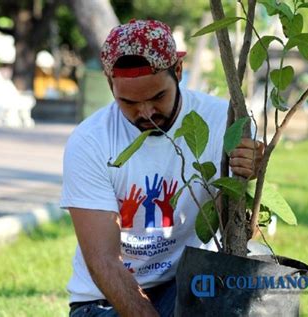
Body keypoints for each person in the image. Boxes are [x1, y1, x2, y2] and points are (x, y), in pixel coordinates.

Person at [60, 19, 264, 317]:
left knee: (261, 287)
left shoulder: (225, 121)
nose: (146, 113)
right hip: (104, 303)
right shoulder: (90, 141)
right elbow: (105, 261)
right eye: (128, 102)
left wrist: (247, 181)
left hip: (184, 286)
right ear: (109, 85)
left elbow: (242, 237)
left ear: (178, 72)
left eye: (158, 97)